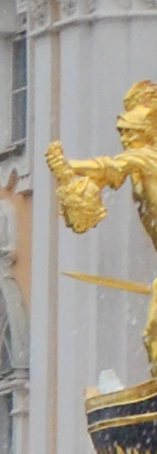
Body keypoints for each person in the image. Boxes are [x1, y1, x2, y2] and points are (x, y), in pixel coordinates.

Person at [53, 79, 157, 381]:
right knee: (152, 333)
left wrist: (70, 165)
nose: (123, 137)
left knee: (153, 329)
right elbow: (103, 178)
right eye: (121, 131)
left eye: (129, 132)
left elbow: (107, 166)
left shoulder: (147, 158)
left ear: (146, 133)